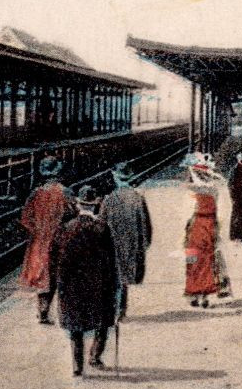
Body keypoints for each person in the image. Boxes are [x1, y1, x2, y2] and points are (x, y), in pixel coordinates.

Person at [45, 186, 120, 377]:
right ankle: (95, 356)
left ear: (78, 205)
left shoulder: (64, 229)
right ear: (96, 205)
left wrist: (57, 282)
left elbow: (52, 259)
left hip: (71, 287)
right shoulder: (102, 229)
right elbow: (111, 261)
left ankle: (77, 367)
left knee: (75, 327)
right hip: (98, 285)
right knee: (102, 322)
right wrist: (114, 285)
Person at [21, 156, 75, 322]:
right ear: (58, 172)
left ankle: (43, 311)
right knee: (63, 276)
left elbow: (25, 218)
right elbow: (73, 214)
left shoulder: (35, 194)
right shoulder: (65, 192)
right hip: (61, 240)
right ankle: (64, 313)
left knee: (43, 277)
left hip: (39, 243)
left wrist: (38, 231)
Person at [99, 162, 152, 322]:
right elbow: (146, 225)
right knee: (124, 278)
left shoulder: (108, 199)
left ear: (116, 178)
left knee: (114, 278)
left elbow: (101, 223)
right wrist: (144, 244)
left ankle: (114, 309)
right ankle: (121, 310)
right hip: (130, 244)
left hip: (112, 244)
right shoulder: (137, 198)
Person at [183, 154, 230, 307]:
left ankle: (194, 294)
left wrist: (192, 170)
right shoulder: (213, 189)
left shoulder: (197, 189)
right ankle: (204, 295)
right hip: (209, 226)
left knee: (193, 260)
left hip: (196, 227)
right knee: (208, 261)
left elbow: (187, 213)